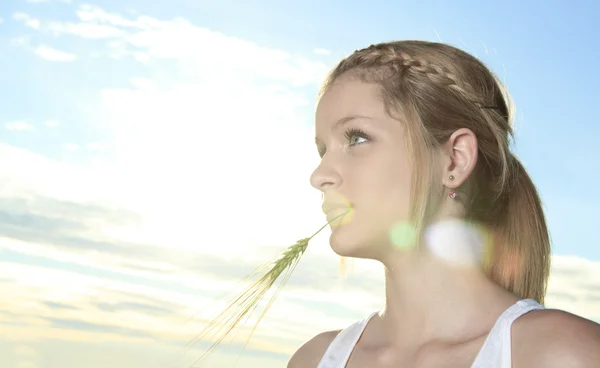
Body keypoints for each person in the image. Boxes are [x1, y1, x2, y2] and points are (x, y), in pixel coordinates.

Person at [282, 40, 600, 367]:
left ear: (454, 160)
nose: (319, 175)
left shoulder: (564, 355)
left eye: (357, 137)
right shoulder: (313, 359)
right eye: (324, 150)